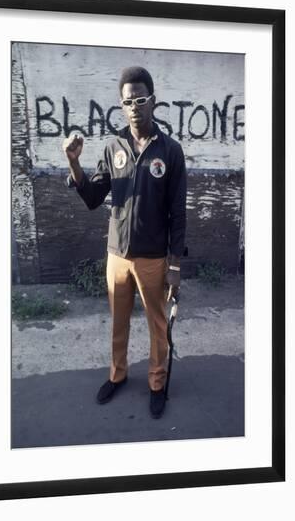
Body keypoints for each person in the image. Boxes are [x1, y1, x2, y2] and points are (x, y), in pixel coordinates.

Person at [64, 66, 187, 418]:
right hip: (116, 256)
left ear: (154, 102)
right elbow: (91, 197)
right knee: (118, 322)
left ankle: (156, 382)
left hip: (152, 259)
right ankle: (117, 376)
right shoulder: (112, 147)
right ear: (122, 106)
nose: (135, 106)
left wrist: (174, 265)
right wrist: (74, 165)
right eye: (128, 101)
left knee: (157, 325)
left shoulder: (171, 151)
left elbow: (178, 214)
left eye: (141, 99)